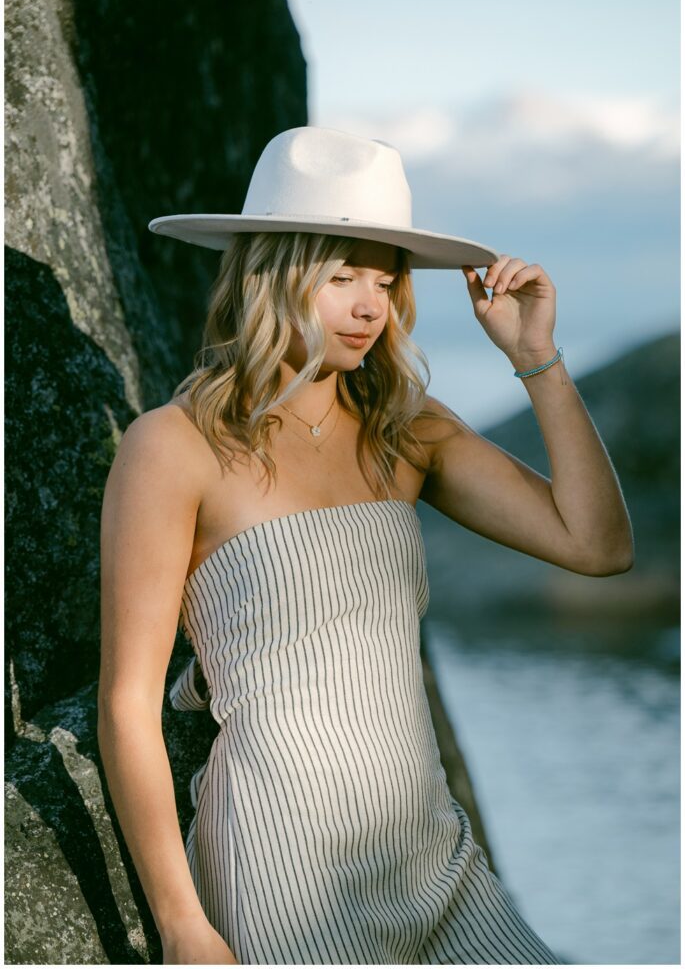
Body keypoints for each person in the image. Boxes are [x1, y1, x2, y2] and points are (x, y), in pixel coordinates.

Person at [98, 126, 633, 966]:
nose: (368, 306)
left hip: (430, 848)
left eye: (382, 281)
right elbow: (129, 704)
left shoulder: (405, 429)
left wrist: (537, 361)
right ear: (272, 273)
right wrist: (183, 926)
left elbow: (596, 546)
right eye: (340, 275)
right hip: (286, 861)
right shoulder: (174, 446)